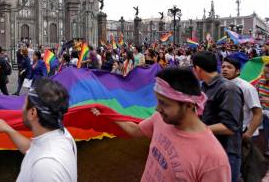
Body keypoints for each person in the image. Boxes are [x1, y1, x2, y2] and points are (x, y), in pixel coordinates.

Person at [92, 67, 231, 181]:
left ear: (188, 105)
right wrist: (109, 112)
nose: (157, 109)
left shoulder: (214, 160)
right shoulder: (160, 118)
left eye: (164, 103)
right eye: (158, 101)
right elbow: (135, 130)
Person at [0, 78, 77, 182]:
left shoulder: (46, 168)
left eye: (24, 104)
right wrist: (9, 130)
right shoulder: (63, 135)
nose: (21, 108)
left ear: (32, 113)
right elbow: (32, 149)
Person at [192, 51, 244, 182]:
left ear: (197, 69)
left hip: (226, 152)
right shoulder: (204, 87)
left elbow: (229, 126)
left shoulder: (228, 89)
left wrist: (197, 129)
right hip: (209, 147)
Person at [221, 57, 262, 140]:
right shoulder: (220, 85)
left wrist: (248, 134)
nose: (225, 69)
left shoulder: (247, 88)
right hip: (225, 130)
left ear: (237, 71)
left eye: (229, 67)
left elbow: (258, 113)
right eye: (223, 67)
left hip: (242, 132)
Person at [256, 62, 269, 155]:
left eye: (268, 73)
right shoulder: (260, 82)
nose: (266, 75)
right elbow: (255, 94)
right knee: (266, 132)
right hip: (264, 113)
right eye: (265, 72)